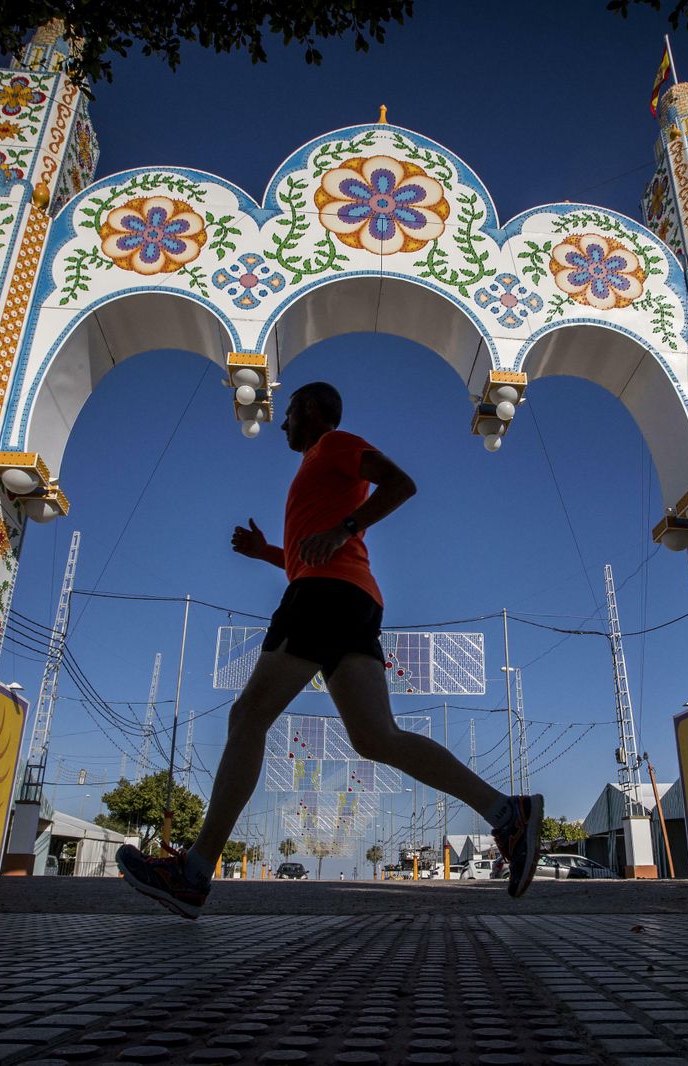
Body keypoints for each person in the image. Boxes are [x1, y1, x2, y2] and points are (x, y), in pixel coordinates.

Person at [116, 381, 543, 918]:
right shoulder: (312, 467)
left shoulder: (335, 446)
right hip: (350, 598)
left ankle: (194, 872)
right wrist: (268, 551)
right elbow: (307, 555)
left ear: (313, 410)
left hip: (323, 597)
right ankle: (508, 814)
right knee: (375, 737)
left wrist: (346, 528)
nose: (282, 422)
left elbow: (401, 484)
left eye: (289, 411)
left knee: (249, 714)